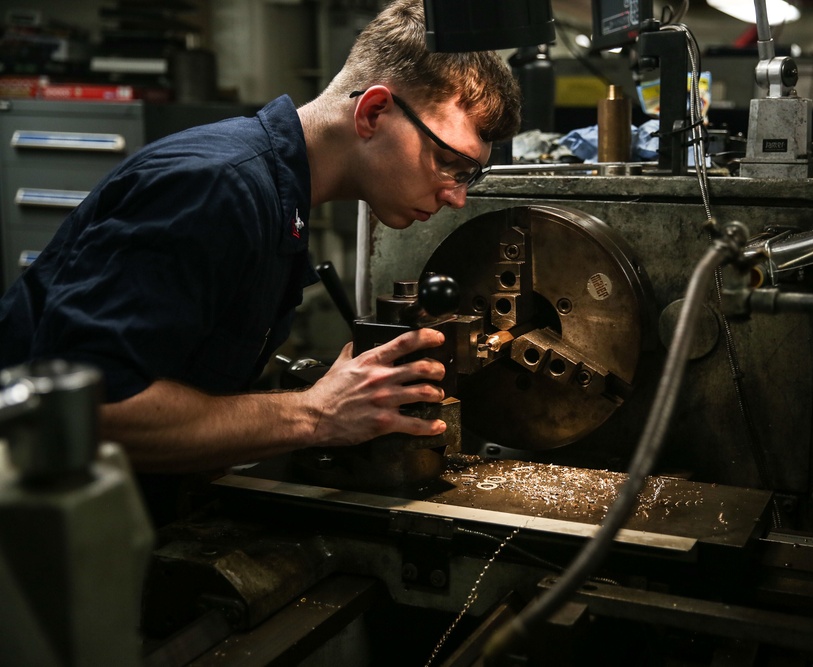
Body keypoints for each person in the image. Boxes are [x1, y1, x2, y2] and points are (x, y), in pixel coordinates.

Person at [0, 0, 521, 521]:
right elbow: (90, 412)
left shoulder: (279, 202)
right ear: (373, 112)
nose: (456, 196)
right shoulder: (215, 188)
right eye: (451, 163)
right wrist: (315, 413)